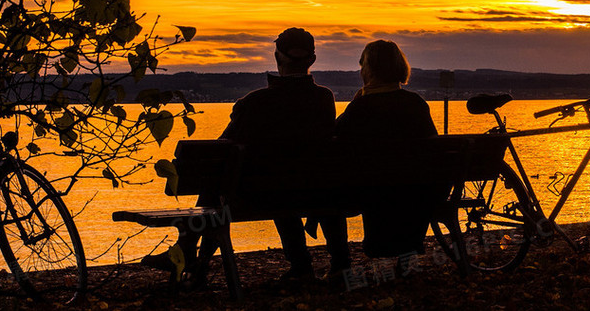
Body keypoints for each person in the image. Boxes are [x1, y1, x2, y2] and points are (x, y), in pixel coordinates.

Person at [144, 28, 350, 283]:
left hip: (260, 197)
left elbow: (221, 150)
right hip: (315, 192)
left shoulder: (255, 103)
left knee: (219, 180)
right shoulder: (324, 99)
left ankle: (187, 252)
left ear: (277, 57)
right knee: (267, 183)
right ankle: (310, 265)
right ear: (312, 60)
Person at [334, 40, 440, 259]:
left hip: (373, 191)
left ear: (370, 69)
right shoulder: (416, 103)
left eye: (362, 64)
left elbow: (336, 139)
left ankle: (340, 264)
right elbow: (433, 146)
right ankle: (407, 252)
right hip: (417, 191)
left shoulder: (360, 108)